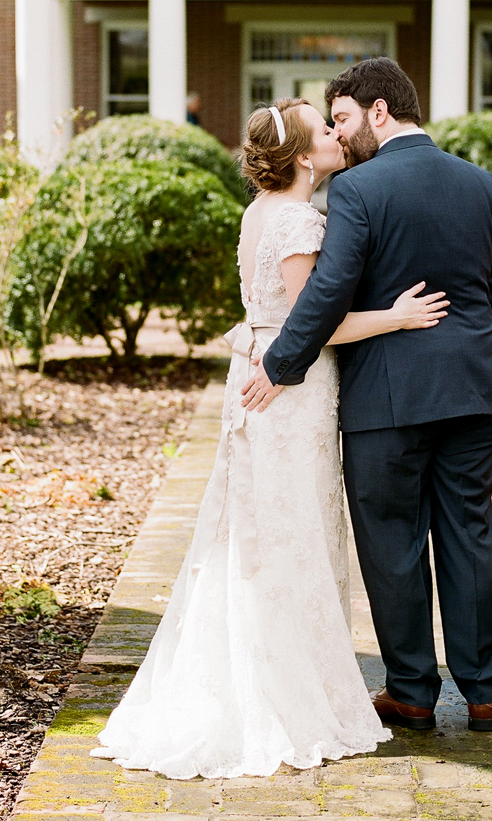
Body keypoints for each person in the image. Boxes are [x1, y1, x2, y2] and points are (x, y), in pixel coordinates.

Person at [90, 97, 449, 779]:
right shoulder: (297, 219)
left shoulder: (259, 213)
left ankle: (268, 670)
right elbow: (315, 324)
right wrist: (397, 317)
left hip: (257, 381)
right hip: (290, 391)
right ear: (304, 158)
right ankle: (286, 694)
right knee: (292, 531)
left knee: (259, 532)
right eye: (325, 131)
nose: (337, 137)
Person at [242, 58, 492, 734]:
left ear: (380, 112)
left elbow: (328, 294)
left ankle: (413, 694)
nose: (342, 133)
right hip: (475, 391)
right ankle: (485, 693)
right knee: (469, 533)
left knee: (393, 542)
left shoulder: (359, 191)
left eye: (343, 118)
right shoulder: (481, 183)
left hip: (387, 399)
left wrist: (277, 363)